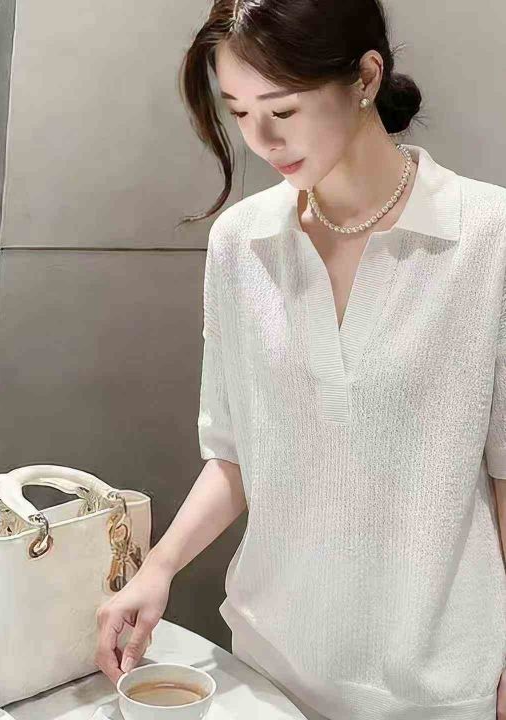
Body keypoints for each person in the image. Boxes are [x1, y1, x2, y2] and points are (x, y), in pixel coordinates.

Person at [95, 1, 506, 718]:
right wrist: (156, 568)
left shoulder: (487, 238)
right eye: (239, 113)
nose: (262, 140)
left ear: (366, 77)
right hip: (267, 667)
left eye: (282, 109)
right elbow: (236, 453)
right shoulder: (242, 242)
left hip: (439, 687)